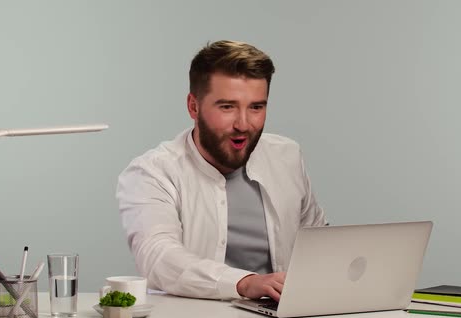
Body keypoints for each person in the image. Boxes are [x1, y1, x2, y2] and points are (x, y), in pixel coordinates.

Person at [117, 40, 326, 302]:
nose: (243, 124)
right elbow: (158, 257)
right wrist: (244, 283)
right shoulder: (151, 172)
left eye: (256, 107)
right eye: (227, 107)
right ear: (193, 106)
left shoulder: (287, 155)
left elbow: (316, 242)